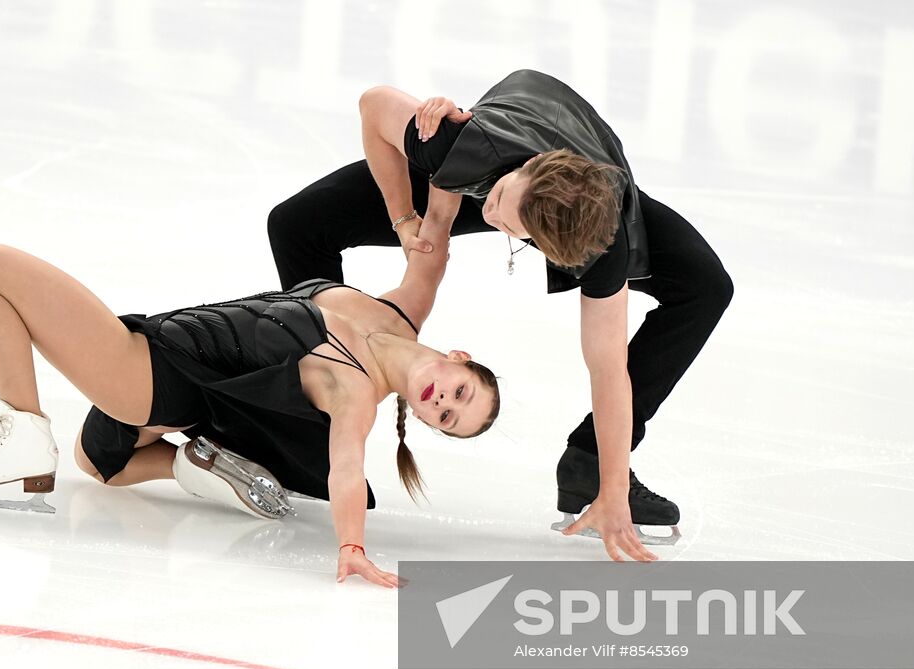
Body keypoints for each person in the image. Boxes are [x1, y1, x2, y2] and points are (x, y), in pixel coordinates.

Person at [268, 69, 733, 563]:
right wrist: (406, 217)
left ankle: (588, 464)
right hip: (488, 155)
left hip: (574, 179)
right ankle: (314, 407)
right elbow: (375, 102)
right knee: (296, 225)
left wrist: (612, 488)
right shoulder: (462, 146)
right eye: (502, 207)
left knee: (704, 287)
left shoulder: (604, 240)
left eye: (513, 231)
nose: (491, 219)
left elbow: (607, 368)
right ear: (530, 167)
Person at [0, 243, 501, 588]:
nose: (443, 404)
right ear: (459, 358)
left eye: (449, 419)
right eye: (460, 393)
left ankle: (24, 433)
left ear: (427, 426)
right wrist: (429, 167)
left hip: (148, 372)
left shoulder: (354, 391)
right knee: (97, 461)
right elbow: (431, 229)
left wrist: (351, 547)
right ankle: (196, 468)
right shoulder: (401, 311)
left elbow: (346, 469)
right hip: (174, 372)